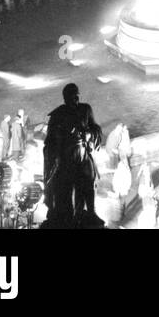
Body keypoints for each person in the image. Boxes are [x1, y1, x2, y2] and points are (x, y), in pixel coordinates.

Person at [42, 83, 103, 228]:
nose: (75, 98)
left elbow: (95, 126)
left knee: (88, 181)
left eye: (76, 94)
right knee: (66, 188)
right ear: (65, 98)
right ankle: (67, 216)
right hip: (66, 156)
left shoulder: (85, 109)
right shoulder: (57, 114)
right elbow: (50, 140)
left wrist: (90, 133)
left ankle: (91, 212)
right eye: (71, 95)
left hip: (82, 152)